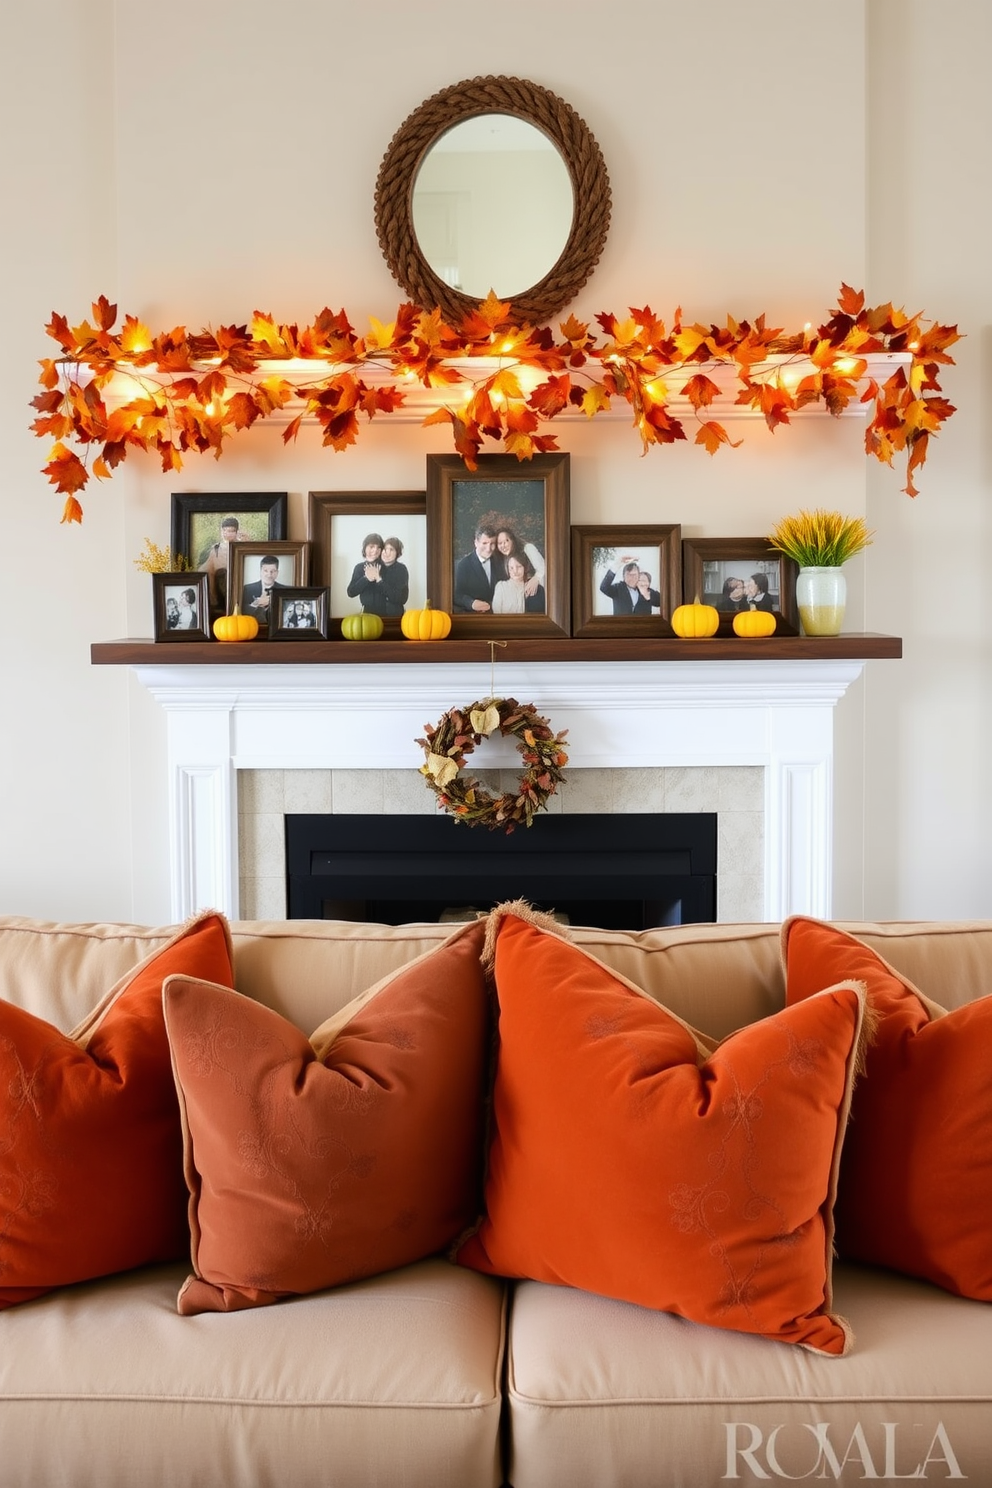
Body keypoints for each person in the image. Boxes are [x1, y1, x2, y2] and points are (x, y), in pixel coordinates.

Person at [199, 515, 248, 614]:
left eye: (231, 531)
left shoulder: (243, 545)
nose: (227, 534)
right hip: (221, 582)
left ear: (236, 532)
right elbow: (208, 568)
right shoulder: (216, 548)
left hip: (240, 579)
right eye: (225, 531)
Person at [454, 524, 502, 613]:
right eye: (485, 543)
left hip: (498, 616)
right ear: (476, 542)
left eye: (492, 544)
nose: (488, 549)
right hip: (474, 617)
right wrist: (471, 603)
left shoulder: (500, 562)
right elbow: (457, 595)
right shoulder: (463, 565)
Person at [495, 525, 545, 604]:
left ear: (512, 540)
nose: (503, 545)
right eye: (500, 543)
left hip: (537, 592)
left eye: (506, 541)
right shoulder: (503, 559)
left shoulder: (527, 548)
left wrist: (535, 578)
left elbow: (544, 567)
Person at [346, 533, 384, 612]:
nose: (375, 550)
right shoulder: (359, 568)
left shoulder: (386, 567)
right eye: (371, 547)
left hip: (387, 612)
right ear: (365, 548)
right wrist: (366, 578)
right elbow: (351, 592)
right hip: (367, 612)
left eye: (378, 548)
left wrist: (379, 579)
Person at [241, 556, 284, 623]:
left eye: (273, 571)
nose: (269, 575)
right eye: (265, 571)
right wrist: (256, 603)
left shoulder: (284, 590)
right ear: (260, 571)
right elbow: (242, 610)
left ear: (277, 572)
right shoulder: (247, 588)